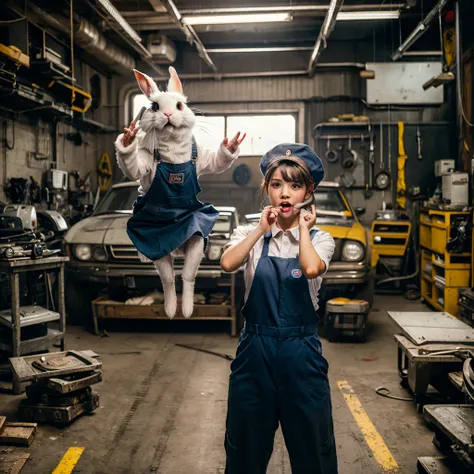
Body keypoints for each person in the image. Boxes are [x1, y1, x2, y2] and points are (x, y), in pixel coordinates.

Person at [220, 143, 337, 474]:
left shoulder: (319, 238)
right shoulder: (249, 233)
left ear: (308, 192)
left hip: (301, 353)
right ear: (266, 189)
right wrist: (261, 228)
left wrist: (302, 228)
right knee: (245, 446)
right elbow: (228, 262)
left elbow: (312, 269)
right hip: (255, 351)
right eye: (277, 185)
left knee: (313, 447)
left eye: (295, 185)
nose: (285, 193)